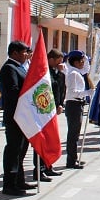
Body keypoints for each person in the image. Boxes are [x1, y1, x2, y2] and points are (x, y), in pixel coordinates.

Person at [0, 40, 35, 196]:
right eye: (24, 52)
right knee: (13, 150)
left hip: (24, 116)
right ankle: (9, 184)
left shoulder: (21, 68)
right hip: (15, 115)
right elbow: (13, 91)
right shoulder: (9, 68)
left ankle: (19, 181)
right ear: (14, 53)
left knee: (21, 150)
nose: (27, 55)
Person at [35, 49, 66, 181]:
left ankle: (48, 165)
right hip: (43, 110)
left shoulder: (56, 72)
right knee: (42, 141)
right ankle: (39, 169)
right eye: (57, 62)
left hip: (53, 109)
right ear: (50, 59)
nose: (59, 64)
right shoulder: (43, 71)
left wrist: (60, 104)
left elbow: (60, 88)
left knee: (50, 139)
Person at [64, 50, 88, 169]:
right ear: (76, 62)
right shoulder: (73, 73)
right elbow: (73, 92)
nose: (83, 62)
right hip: (73, 104)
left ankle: (74, 158)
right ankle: (71, 161)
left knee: (75, 134)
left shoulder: (77, 72)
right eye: (81, 60)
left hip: (78, 104)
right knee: (73, 135)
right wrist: (87, 93)